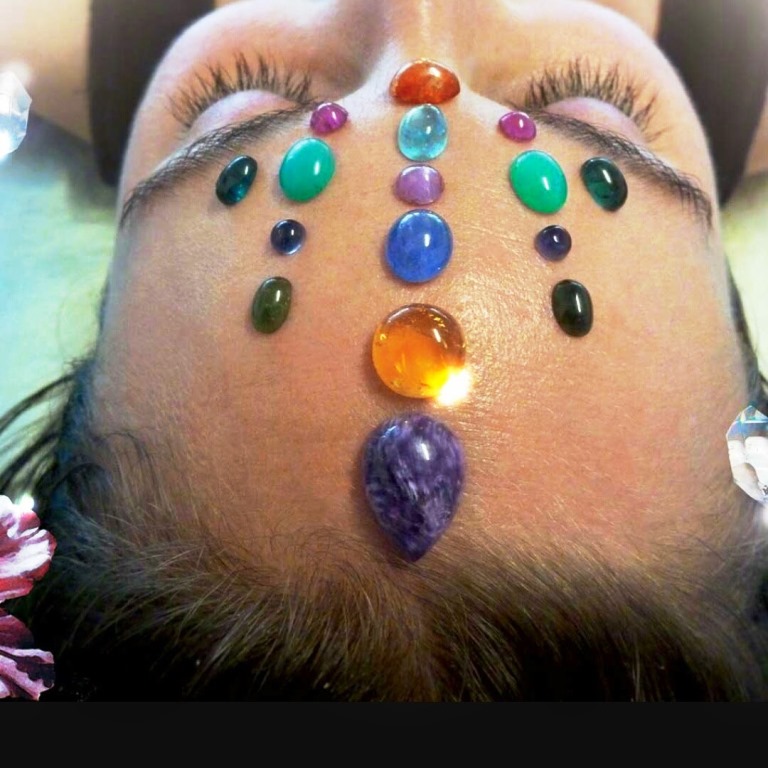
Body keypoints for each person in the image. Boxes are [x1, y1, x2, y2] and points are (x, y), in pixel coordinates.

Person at [1, 0, 768, 701]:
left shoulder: (96, 36)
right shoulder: (731, 55)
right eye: (590, 108)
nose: (419, 11)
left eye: (247, 102)